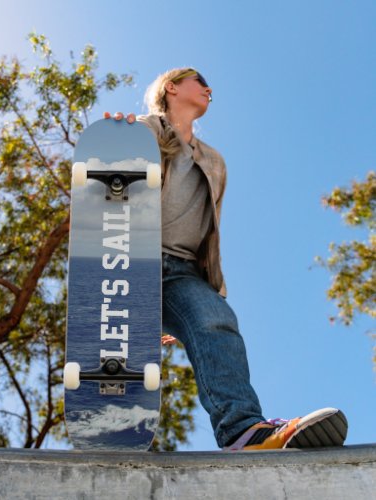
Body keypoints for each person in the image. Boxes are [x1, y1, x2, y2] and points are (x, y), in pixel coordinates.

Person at [105, 67, 348, 450]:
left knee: (216, 320)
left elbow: (208, 230)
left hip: (183, 271)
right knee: (123, 353)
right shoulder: (143, 130)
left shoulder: (214, 161)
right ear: (171, 87)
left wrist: (202, 293)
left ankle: (243, 432)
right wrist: (115, 140)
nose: (208, 89)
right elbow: (108, 181)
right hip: (131, 258)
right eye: (199, 82)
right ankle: (113, 432)